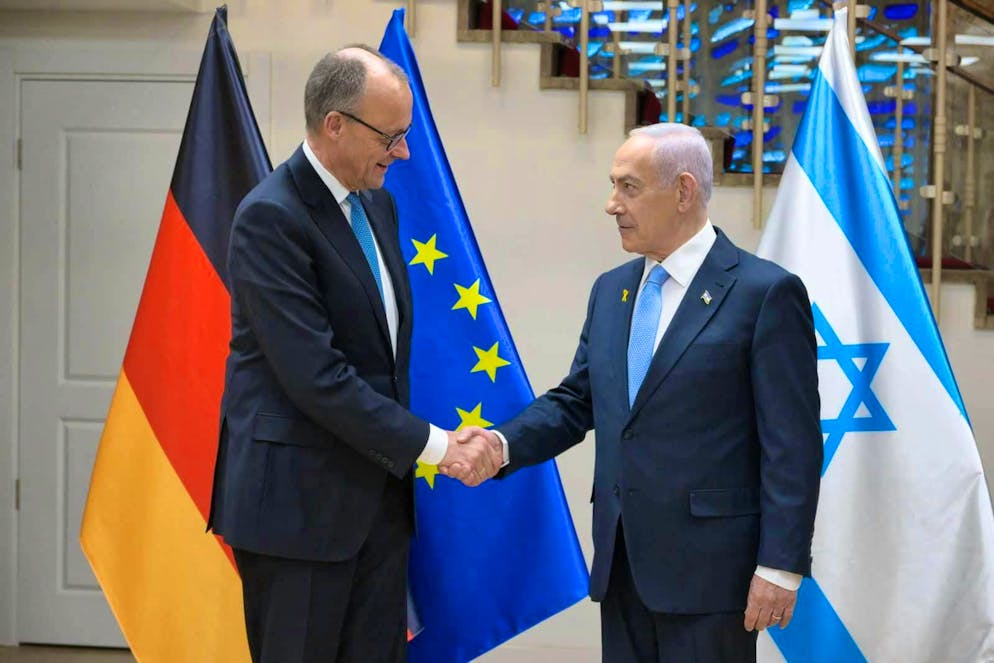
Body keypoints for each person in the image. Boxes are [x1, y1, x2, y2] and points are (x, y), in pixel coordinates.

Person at [458, 124, 822, 662]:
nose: (611, 204)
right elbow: (577, 401)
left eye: (628, 187)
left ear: (682, 191)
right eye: (613, 185)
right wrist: (499, 444)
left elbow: (792, 444)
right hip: (623, 564)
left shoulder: (764, 293)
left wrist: (780, 567)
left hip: (712, 578)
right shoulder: (612, 289)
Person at [207, 46, 500, 663]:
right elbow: (317, 378)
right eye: (391, 136)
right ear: (335, 123)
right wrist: (442, 448)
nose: (403, 153)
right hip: (297, 515)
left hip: (378, 505)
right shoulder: (270, 218)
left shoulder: (379, 206)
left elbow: (382, 361)